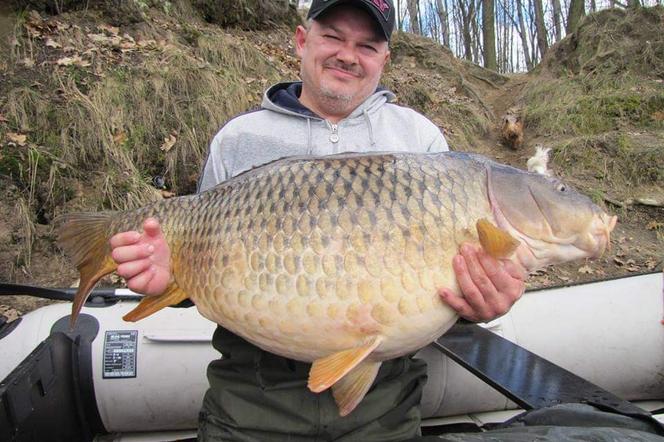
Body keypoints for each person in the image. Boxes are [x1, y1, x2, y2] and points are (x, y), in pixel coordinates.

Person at [109, 0, 527, 440]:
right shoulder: (238, 141)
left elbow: (440, 280)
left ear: (384, 59)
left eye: (367, 44)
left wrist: (482, 304)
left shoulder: (420, 141)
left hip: (383, 410)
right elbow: (208, 273)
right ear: (302, 40)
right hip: (251, 405)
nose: (349, 54)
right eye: (333, 37)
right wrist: (171, 279)